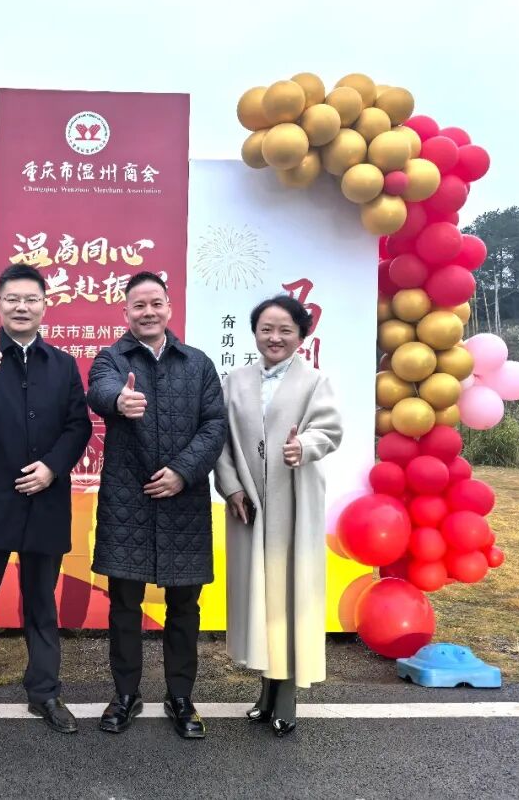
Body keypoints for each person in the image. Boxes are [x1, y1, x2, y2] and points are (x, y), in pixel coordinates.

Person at [0, 264, 92, 738]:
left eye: (30, 299)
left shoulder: (62, 364)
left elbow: (78, 425)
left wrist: (52, 467)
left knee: (41, 603)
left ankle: (45, 693)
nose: (21, 307)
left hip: (44, 501)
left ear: (45, 305)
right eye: (12, 299)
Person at [87, 271, 226, 739]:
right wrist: (119, 399)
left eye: (155, 303)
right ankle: (125, 694)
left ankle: (180, 696)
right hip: (128, 501)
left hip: (183, 502)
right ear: (125, 313)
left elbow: (215, 424)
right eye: (138, 305)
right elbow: (99, 389)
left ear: (168, 307)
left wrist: (183, 472)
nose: (148, 312)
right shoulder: (111, 358)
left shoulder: (198, 363)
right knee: (124, 604)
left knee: (184, 606)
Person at [214, 295, 342, 737]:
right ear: (254, 333)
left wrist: (302, 446)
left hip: (294, 501)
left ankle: (286, 696)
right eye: (266, 329)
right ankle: (266, 692)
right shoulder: (235, 381)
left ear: (301, 335)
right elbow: (219, 439)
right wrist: (230, 486)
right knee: (260, 598)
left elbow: (329, 430)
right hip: (248, 505)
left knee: (289, 596)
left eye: (285, 330)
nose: (275, 337)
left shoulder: (315, 381)